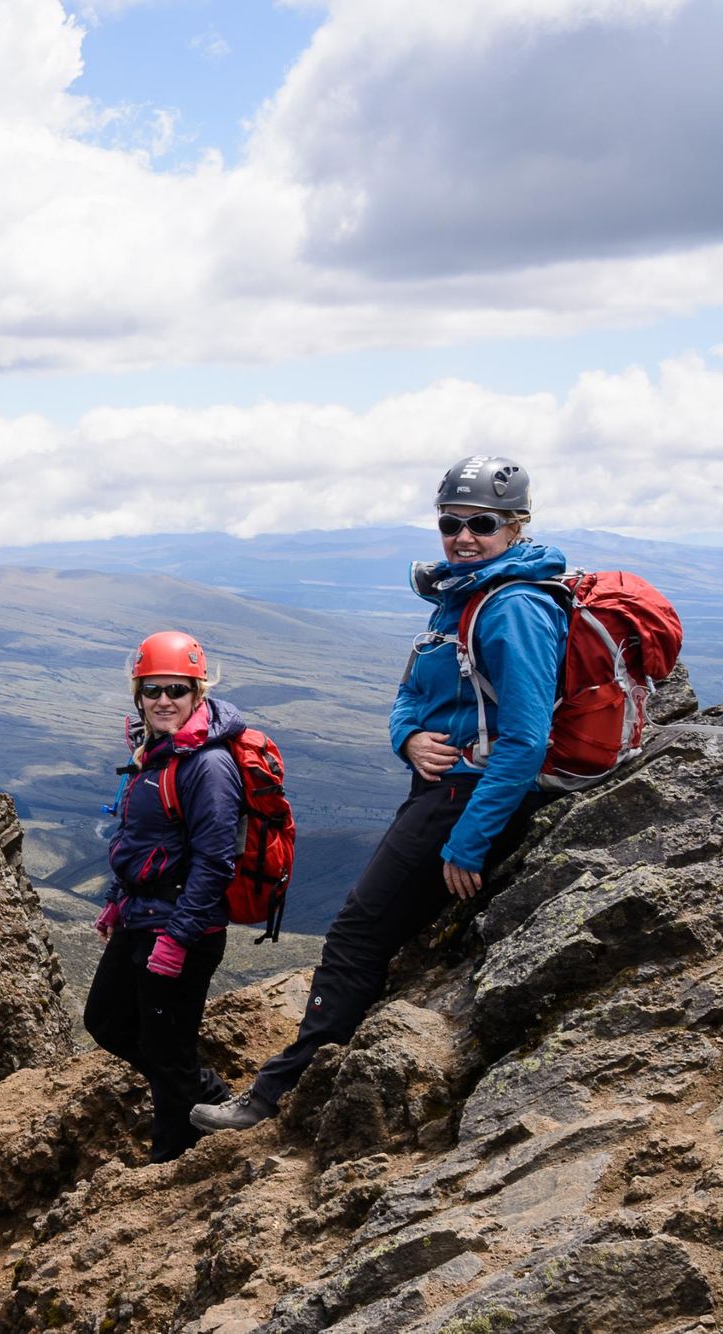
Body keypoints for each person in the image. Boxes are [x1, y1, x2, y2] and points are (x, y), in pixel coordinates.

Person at [193, 455, 566, 1134]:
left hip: (467, 798)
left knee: (357, 934)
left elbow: (526, 739)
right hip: (441, 784)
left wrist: (471, 840)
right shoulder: (463, 594)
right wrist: (408, 741)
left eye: (481, 524)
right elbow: (409, 695)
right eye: (451, 523)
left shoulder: (514, 607)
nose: (462, 536)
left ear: (516, 526)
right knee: (373, 930)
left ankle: (275, 1096)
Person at [82, 631, 243, 1162]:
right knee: (106, 1021)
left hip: (181, 929)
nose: (164, 701)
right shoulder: (153, 753)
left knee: (165, 1047)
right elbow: (139, 839)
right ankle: (206, 1095)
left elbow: (216, 861)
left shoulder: (208, 766)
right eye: (153, 691)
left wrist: (177, 939)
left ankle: (171, 1160)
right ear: (139, 696)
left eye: (176, 689)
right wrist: (114, 898)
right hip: (140, 914)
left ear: (198, 692)